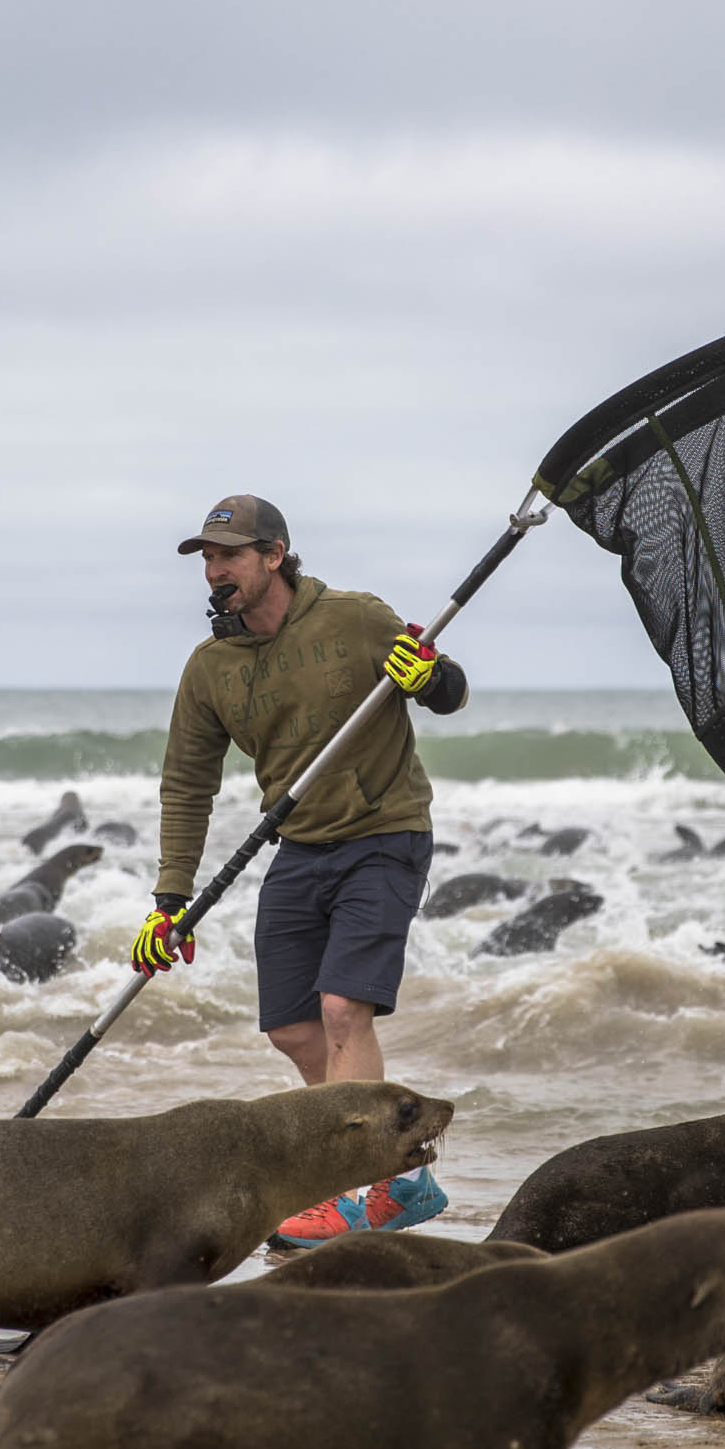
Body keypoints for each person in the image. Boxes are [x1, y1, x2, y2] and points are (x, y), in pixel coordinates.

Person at [132, 494, 468, 1245]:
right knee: (292, 1028)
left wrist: (428, 677)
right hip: (300, 843)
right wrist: (169, 901)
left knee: (345, 1011)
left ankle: (366, 1191)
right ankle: (393, 1173)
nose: (215, 571)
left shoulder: (355, 618)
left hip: (385, 832)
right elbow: (188, 784)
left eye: (230, 555)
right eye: (207, 559)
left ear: (274, 555)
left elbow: (449, 691)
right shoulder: (212, 666)